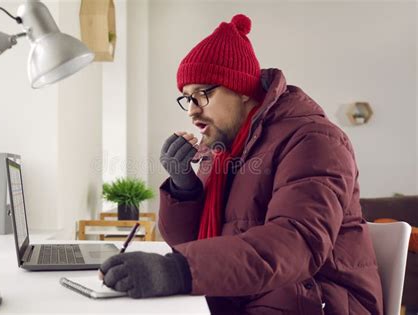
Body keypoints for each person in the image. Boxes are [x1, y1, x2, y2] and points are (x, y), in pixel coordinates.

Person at [99, 13, 383, 315]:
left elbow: (296, 243)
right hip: (243, 295)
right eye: (186, 98)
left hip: (315, 300)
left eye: (202, 94)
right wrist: (184, 189)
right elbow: (191, 244)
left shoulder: (314, 140)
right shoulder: (221, 150)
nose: (192, 111)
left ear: (242, 90)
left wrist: (177, 270)